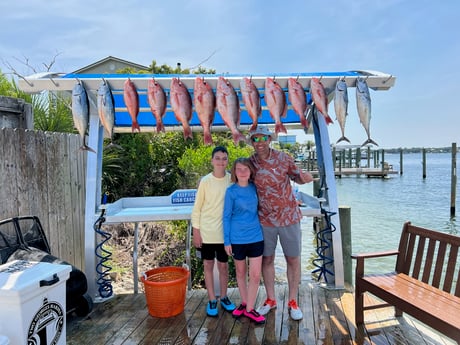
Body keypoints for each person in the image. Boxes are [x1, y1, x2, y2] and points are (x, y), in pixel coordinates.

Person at [248, 125, 314, 321]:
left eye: (263, 138)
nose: (259, 143)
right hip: (265, 220)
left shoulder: (284, 158)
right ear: (252, 142)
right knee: (266, 260)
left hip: (289, 218)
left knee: (293, 260)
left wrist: (306, 178)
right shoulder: (250, 163)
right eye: (255, 139)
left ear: (270, 139)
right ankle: (270, 299)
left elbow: (298, 177)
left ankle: (293, 300)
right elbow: (238, 179)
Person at [191, 146, 236, 317]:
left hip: (225, 234)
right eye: (217, 158)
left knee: (223, 266)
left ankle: (224, 297)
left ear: (227, 161)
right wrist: (196, 231)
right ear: (212, 160)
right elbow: (197, 208)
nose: (221, 162)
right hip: (206, 232)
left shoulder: (232, 180)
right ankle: (211, 299)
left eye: (224, 158)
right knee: (208, 265)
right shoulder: (205, 181)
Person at [223, 158, 265, 324]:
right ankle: (245, 302)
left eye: (245, 169)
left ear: (250, 171)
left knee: (255, 275)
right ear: (234, 172)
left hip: (256, 236)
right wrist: (227, 241)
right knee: (240, 273)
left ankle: (249, 309)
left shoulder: (255, 188)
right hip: (237, 238)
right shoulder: (230, 191)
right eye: (238, 169)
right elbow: (226, 216)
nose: (242, 172)